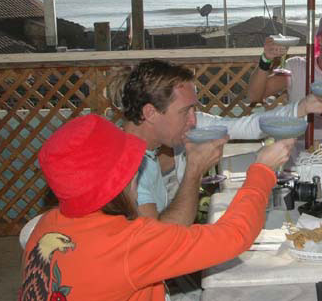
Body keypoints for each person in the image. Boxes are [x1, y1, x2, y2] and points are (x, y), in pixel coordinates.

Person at [19, 114, 293, 301]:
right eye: (132, 166)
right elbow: (234, 236)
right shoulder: (129, 243)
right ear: (119, 180)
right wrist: (261, 171)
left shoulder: (45, 227)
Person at [111, 59, 322, 219]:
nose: (194, 120)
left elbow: (247, 126)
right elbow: (159, 242)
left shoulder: (159, 139)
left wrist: (302, 107)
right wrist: (194, 171)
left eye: (194, 109)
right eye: (186, 111)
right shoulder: (128, 167)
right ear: (150, 113)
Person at [247, 7, 322, 142]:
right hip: (297, 149)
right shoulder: (297, 67)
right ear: (320, 40)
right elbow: (254, 96)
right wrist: (266, 59)